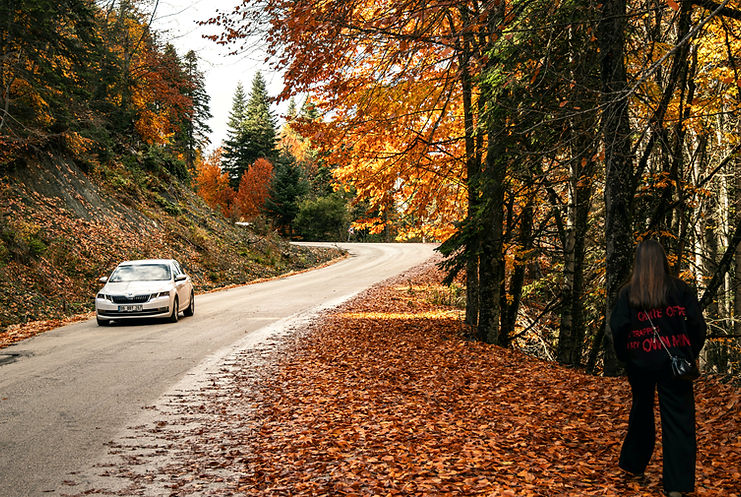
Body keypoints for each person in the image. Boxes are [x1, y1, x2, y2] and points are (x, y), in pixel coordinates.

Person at [610, 240, 706, 497]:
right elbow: (697, 324)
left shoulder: (628, 293)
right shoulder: (680, 289)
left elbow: (618, 329)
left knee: (641, 410)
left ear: (638, 263)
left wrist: (625, 358)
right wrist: (688, 353)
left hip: (640, 363)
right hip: (674, 363)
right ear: (663, 260)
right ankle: (677, 486)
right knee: (678, 419)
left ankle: (634, 466)